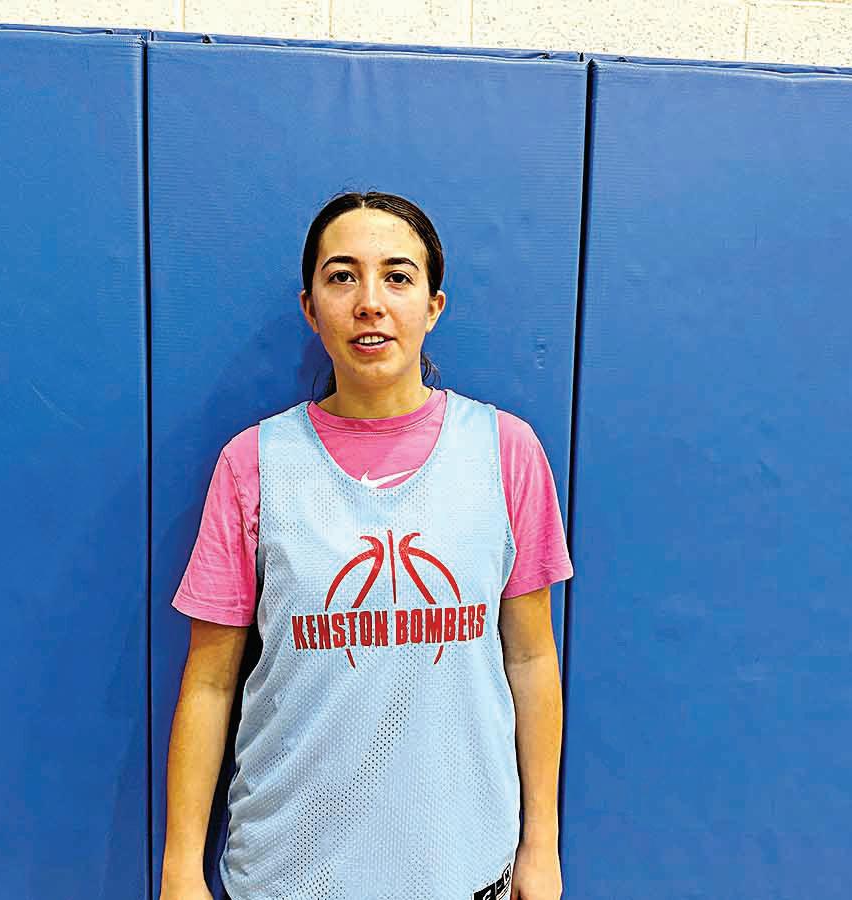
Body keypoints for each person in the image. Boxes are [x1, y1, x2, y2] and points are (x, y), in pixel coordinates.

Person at [160, 190, 573, 900]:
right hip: (290, 869)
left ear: (434, 307)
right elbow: (209, 682)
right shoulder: (254, 463)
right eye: (343, 276)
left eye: (397, 277)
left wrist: (541, 844)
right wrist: (179, 870)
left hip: (461, 866)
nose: (370, 302)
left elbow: (532, 658)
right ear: (310, 307)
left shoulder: (505, 451)